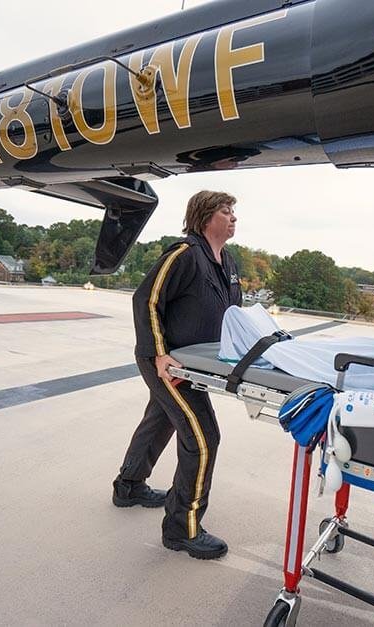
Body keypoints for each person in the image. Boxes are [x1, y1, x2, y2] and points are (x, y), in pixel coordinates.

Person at [112, 190, 241, 560]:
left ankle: (129, 486)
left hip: (199, 364)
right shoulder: (184, 254)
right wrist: (158, 354)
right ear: (205, 217)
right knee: (203, 437)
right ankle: (181, 528)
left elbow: (232, 315)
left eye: (234, 212)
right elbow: (147, 299)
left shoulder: (228, 262)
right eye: (225, 211)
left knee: (161, 421)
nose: (233, 218)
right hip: (169, 364)